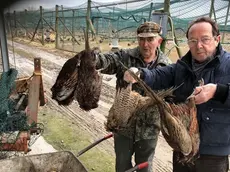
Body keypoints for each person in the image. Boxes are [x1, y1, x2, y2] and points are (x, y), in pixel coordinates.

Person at [124, 16, 230, 172]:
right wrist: (140, 74)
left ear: (217, 39)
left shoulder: (228, 65)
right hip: (182, 147)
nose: (198, 45)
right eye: (192, 41)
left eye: (205, 39)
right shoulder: (182, 66)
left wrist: (217, 91)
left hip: (212, 155)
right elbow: (160, 75)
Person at [95, 22, 171, 172]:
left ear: (159, 41)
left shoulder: (167, 66)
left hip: (149, 129)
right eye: (141, 39)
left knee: (144, 168)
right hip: (123, 126)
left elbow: (170, 98)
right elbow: (107, 61)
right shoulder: (125, 57)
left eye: (150, 39)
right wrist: (93, 59)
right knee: (122, 166)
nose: (145, 44)